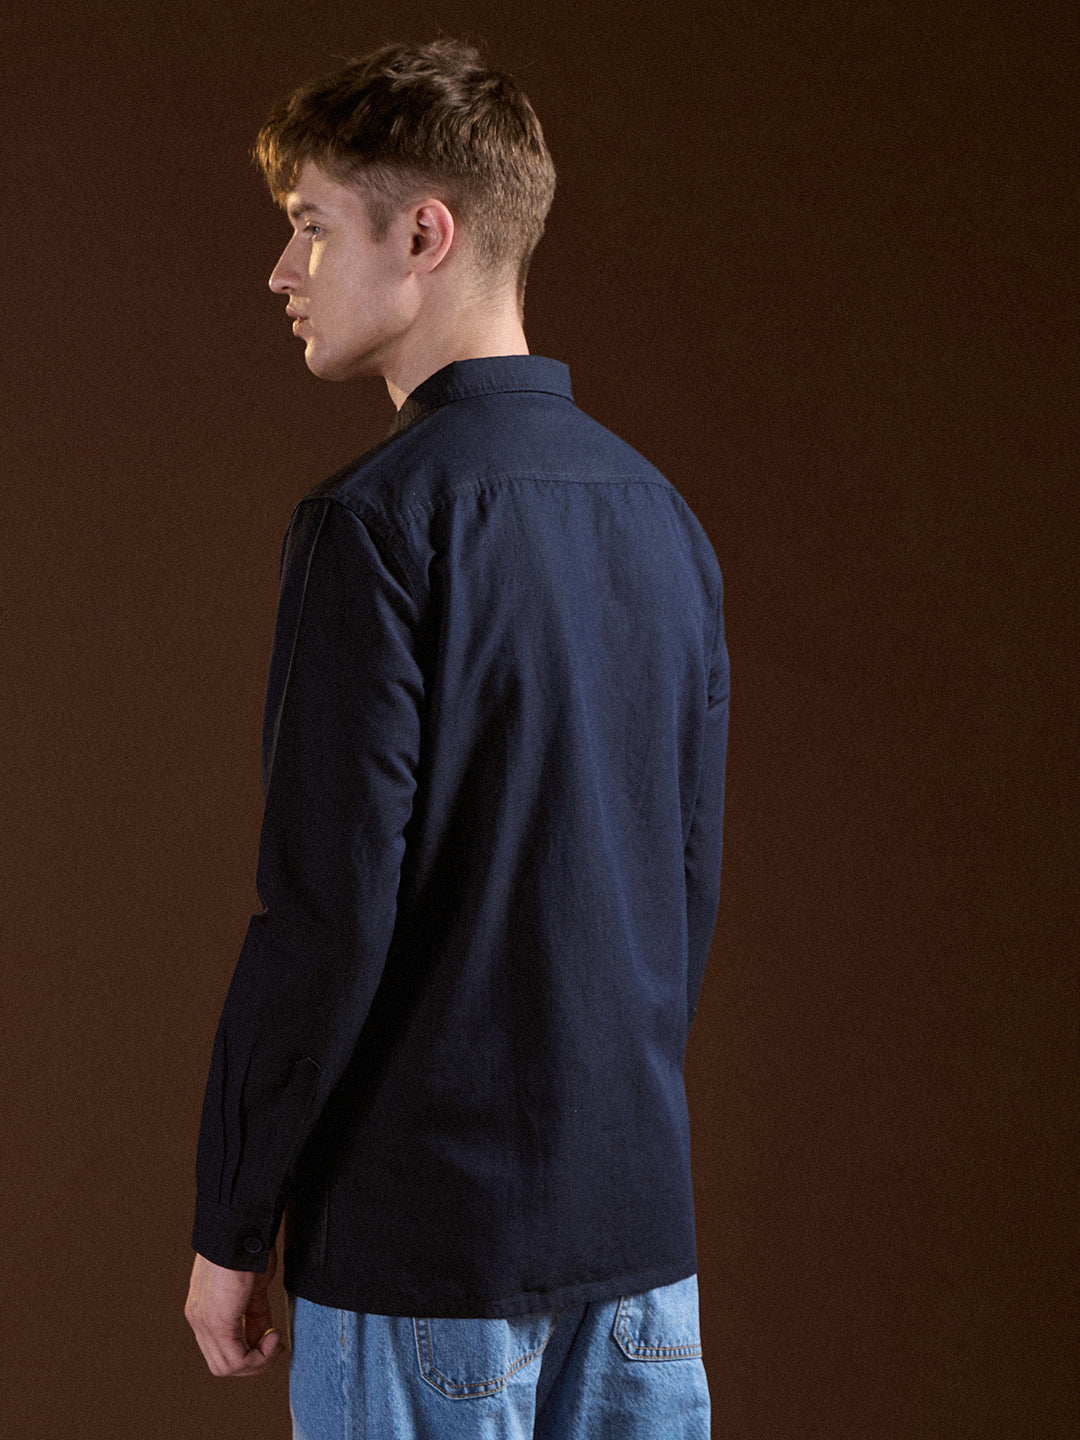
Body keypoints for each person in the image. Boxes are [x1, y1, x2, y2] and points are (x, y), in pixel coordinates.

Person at [184, 38, 728, 1439]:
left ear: (425, 235)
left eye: (311, 226)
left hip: (423, 1255)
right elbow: (682, 892)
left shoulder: (372, 524)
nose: (282, 272)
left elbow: (327, 914)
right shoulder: (663, 520)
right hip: (641, 1259)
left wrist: (233, 1222)